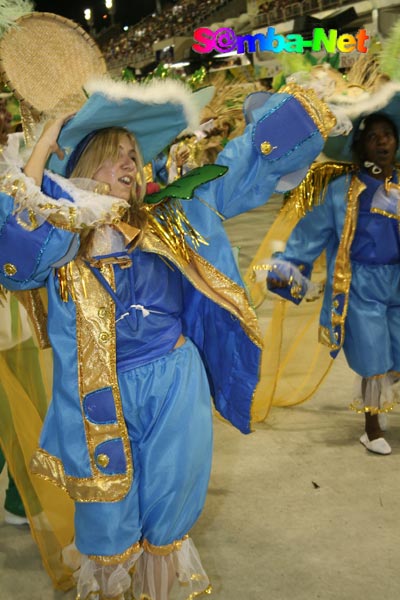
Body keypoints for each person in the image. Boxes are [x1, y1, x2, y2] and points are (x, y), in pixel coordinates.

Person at [0, 76, 334, 599]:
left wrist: (306, 103)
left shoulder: (171, 216)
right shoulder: (59, 243)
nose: (131, 164)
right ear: (83, 164)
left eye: (135, 154)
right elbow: (15, 259)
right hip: (98, 398)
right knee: (108, 523)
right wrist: (43, 145)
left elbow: (240, 167)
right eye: (116, 154)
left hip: (174, 379)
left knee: (169, 511)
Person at [265, 110, 400, 456]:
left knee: (397, 354)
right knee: (373, 357)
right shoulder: (341, 192)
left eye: (388, 134)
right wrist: (287, 275)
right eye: (374, 136)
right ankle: (371, 428)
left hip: (397, 283)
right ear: (360, 147)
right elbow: (309, 235)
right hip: (359, 286)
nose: (383, 141)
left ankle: (383, 403)